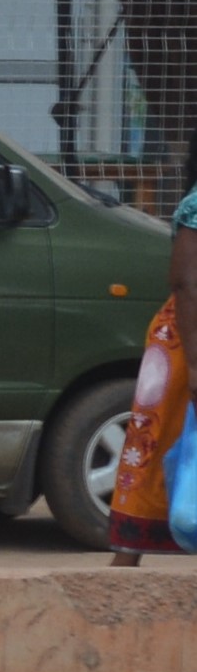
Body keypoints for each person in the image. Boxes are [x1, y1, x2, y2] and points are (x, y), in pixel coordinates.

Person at [109, 155, 197, 562]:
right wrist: (194, 366)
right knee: (156, 444)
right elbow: (187, 282)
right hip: (187, 338)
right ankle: (123, 567)